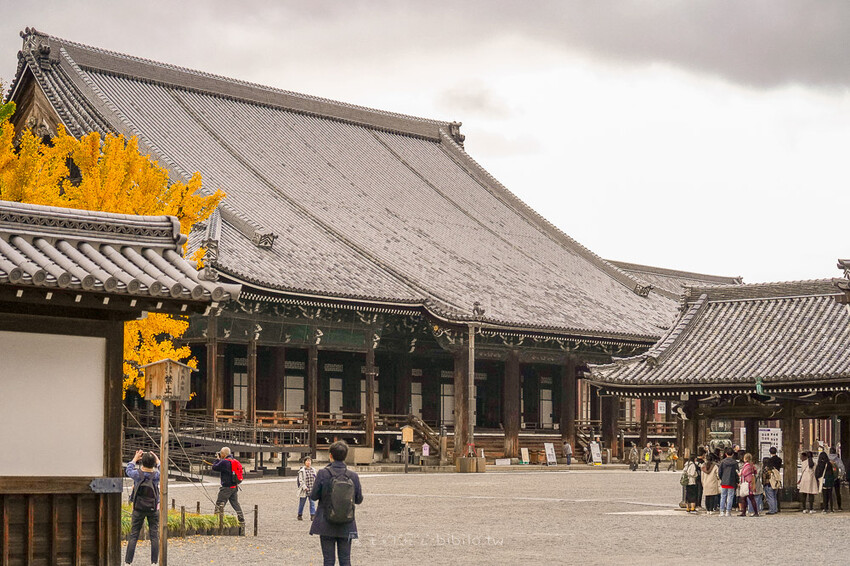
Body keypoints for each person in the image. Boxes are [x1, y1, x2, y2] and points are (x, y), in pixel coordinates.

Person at [310, 441, 364, 566]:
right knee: (345, 560)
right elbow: (359, 499)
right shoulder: (353, 476)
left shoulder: (323, 473)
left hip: (326, 522)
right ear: (346, 455)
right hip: (347, 522)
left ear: (330, 455)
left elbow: (313, 496)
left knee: (328, 560)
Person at [125, 449, 160, 564]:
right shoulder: (156, 476)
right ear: (153, 463)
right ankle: (154, 562)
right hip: (153, 508)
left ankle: (128, 562)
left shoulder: (137, 474)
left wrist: (135, 458)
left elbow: (128, 469)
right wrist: (158, 461)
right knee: (154, 535)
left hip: (138, 508)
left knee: (134, 535)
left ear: (142, 463)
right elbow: (163, 471)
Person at [212, 447, 245, 532]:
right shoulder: (234, 461)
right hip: (234, 487)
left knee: (219, 505)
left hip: (226, 488)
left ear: (223, 454)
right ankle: (241, 520)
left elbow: (214, 467)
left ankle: (216, 522)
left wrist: (217, 459)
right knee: (235, 504)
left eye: (221, 453)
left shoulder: (224, 462)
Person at [718, 447, 739, 517]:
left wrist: (722, 478)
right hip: (732, 481)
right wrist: (737, 481)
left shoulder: (722, 462)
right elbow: (737, 473)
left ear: (726, 454)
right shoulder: (735, 463)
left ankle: (721, 511)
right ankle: (728, 511)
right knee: (730, 496)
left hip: (724, 481)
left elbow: (719, 472)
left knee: (723, 496)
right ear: (732, 454)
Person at [738, 453, 759, 517]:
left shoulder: (746, 465)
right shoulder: (752, 465)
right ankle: (747, 512)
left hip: (746, 483)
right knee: (748, 498)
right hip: (751, 483)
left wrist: (739, 473)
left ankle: (752, 512)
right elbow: (755, 472)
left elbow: (743, 473)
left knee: (746, 497)